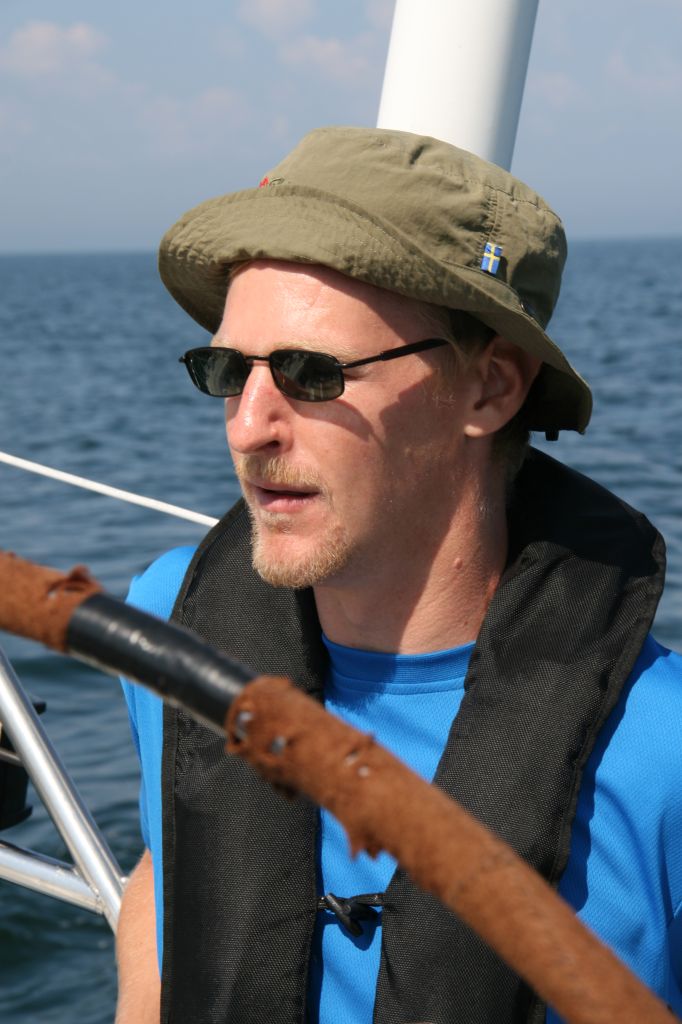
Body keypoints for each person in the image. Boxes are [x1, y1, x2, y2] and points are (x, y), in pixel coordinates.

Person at [116, 126, 682, 1023]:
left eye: (311, 374)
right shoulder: (171, 623)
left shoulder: (663, 755)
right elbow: (171, 867)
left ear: (491, 389)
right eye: (228, 369)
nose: (248, 427)